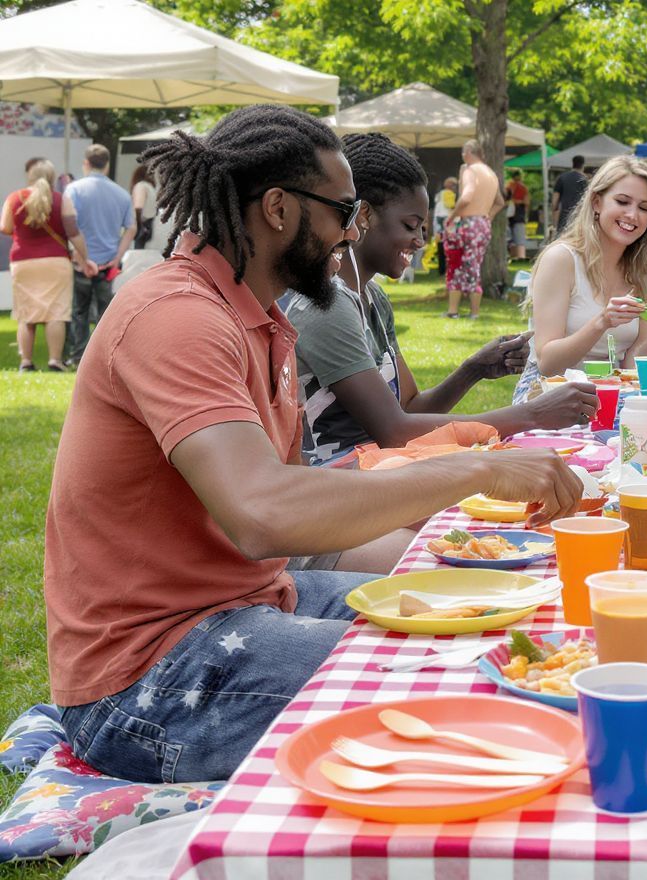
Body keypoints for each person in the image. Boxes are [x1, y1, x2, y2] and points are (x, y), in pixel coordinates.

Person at [44, 105, 582, 784]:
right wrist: (473, 470)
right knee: (466, 690)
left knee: (488, 620)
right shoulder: (177, 317)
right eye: (343, 210)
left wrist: (453, 469)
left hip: (247, 605)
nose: (351, 231)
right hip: (143, 681)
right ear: (277, 208)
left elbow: (303, 499)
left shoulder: (260, 316)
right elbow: (263, 514)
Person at [287, 132, 598, 465]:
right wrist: (531, 414)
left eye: (423, 228)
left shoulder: (373, 298)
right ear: (363, 216)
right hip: (340, 484)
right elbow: (395, 430)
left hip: (386, 471)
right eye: (410, 225)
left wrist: (472, 370)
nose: (420, 241)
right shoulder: (327, 304)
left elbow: (410, 407)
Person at [512, 156, 647, 402]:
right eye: (622, 201)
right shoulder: (561, 259)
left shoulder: (642, 272)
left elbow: (630, 365)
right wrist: (601, 322)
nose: (633, 215)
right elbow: (548, 363)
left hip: (611, 395)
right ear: (596, 202)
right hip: (548, 396)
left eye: (644, 208)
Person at [1, 158, 96, 372]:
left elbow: (5, 227)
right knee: (56, 313)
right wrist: (86, 258)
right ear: (52, 177)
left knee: (26, 315)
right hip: (56, 261)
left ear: (30, 176)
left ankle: (26, 362)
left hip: (22, 261)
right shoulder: (61, 200)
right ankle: (55, 361)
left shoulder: (14, 198)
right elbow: (73, 233)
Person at [64, 144, 135, 365]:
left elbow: (70, 226)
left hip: (81, 261)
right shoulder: (122, 193)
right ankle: (104, 358)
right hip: (108, 262)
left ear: (86, 163)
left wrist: (81, 256)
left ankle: (78, 357)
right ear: (107, 164)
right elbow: (131, 227)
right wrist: (118, 255)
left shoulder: (73, 190)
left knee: (79, 311)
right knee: (107, 314)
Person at [443, 139, 503, 319]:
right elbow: (500, 202)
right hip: (482, 224)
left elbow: (467, 197)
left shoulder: (471, 170)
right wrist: (488, 216)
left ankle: (455, 310)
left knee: (457, 264)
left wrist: (452, 216)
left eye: (463, 152)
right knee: (473, 266)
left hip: (468, 223)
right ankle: (471, 312)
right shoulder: (490, 172)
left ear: (468, 152)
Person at [552, 154, 588, 234]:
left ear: (572, 163)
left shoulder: (562, 178)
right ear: (583, 165)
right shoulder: (584, 180)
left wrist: (554, 218)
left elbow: (555, 201)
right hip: (579, 217)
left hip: (564, 217)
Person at [432, 176, 457, 276]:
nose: (455, 188)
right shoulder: (450, 194)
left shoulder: (438, 195)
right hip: (446, 220)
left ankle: (441, 270)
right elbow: (450, 206)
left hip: (438, 220)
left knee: (440, 246)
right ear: (451, 186)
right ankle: (449, 269)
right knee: (450, 245)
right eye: (454, 185)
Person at [129, 165, 158, 250]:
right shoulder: (151, 188)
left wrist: (138, 227)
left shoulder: (141, 186)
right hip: (150, 224)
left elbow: (138, 207)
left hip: (141, 224)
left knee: (136, 253)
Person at [506, 169, 529, 260]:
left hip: (509, 214)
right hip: (519, 213)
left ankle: (512, 257)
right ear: (519, 176)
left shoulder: (508, 186)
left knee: (510, 238)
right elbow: (527, 202)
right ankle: (521, 257)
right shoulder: (523, 187)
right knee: (519, 237)